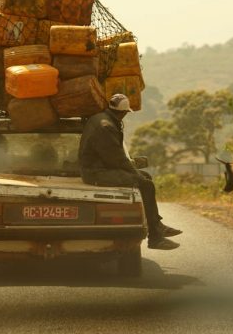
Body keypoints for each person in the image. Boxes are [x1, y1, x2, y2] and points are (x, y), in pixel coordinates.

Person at [78, 93, 182, 250]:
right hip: (97, 173)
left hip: (97, 168)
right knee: (146, 184)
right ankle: (155, 236)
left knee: (144, 177)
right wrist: (135, 173)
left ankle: (157, 224)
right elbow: (117, 159)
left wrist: (136, 173)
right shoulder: (106, 127)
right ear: (124, 112)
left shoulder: (99, 119)